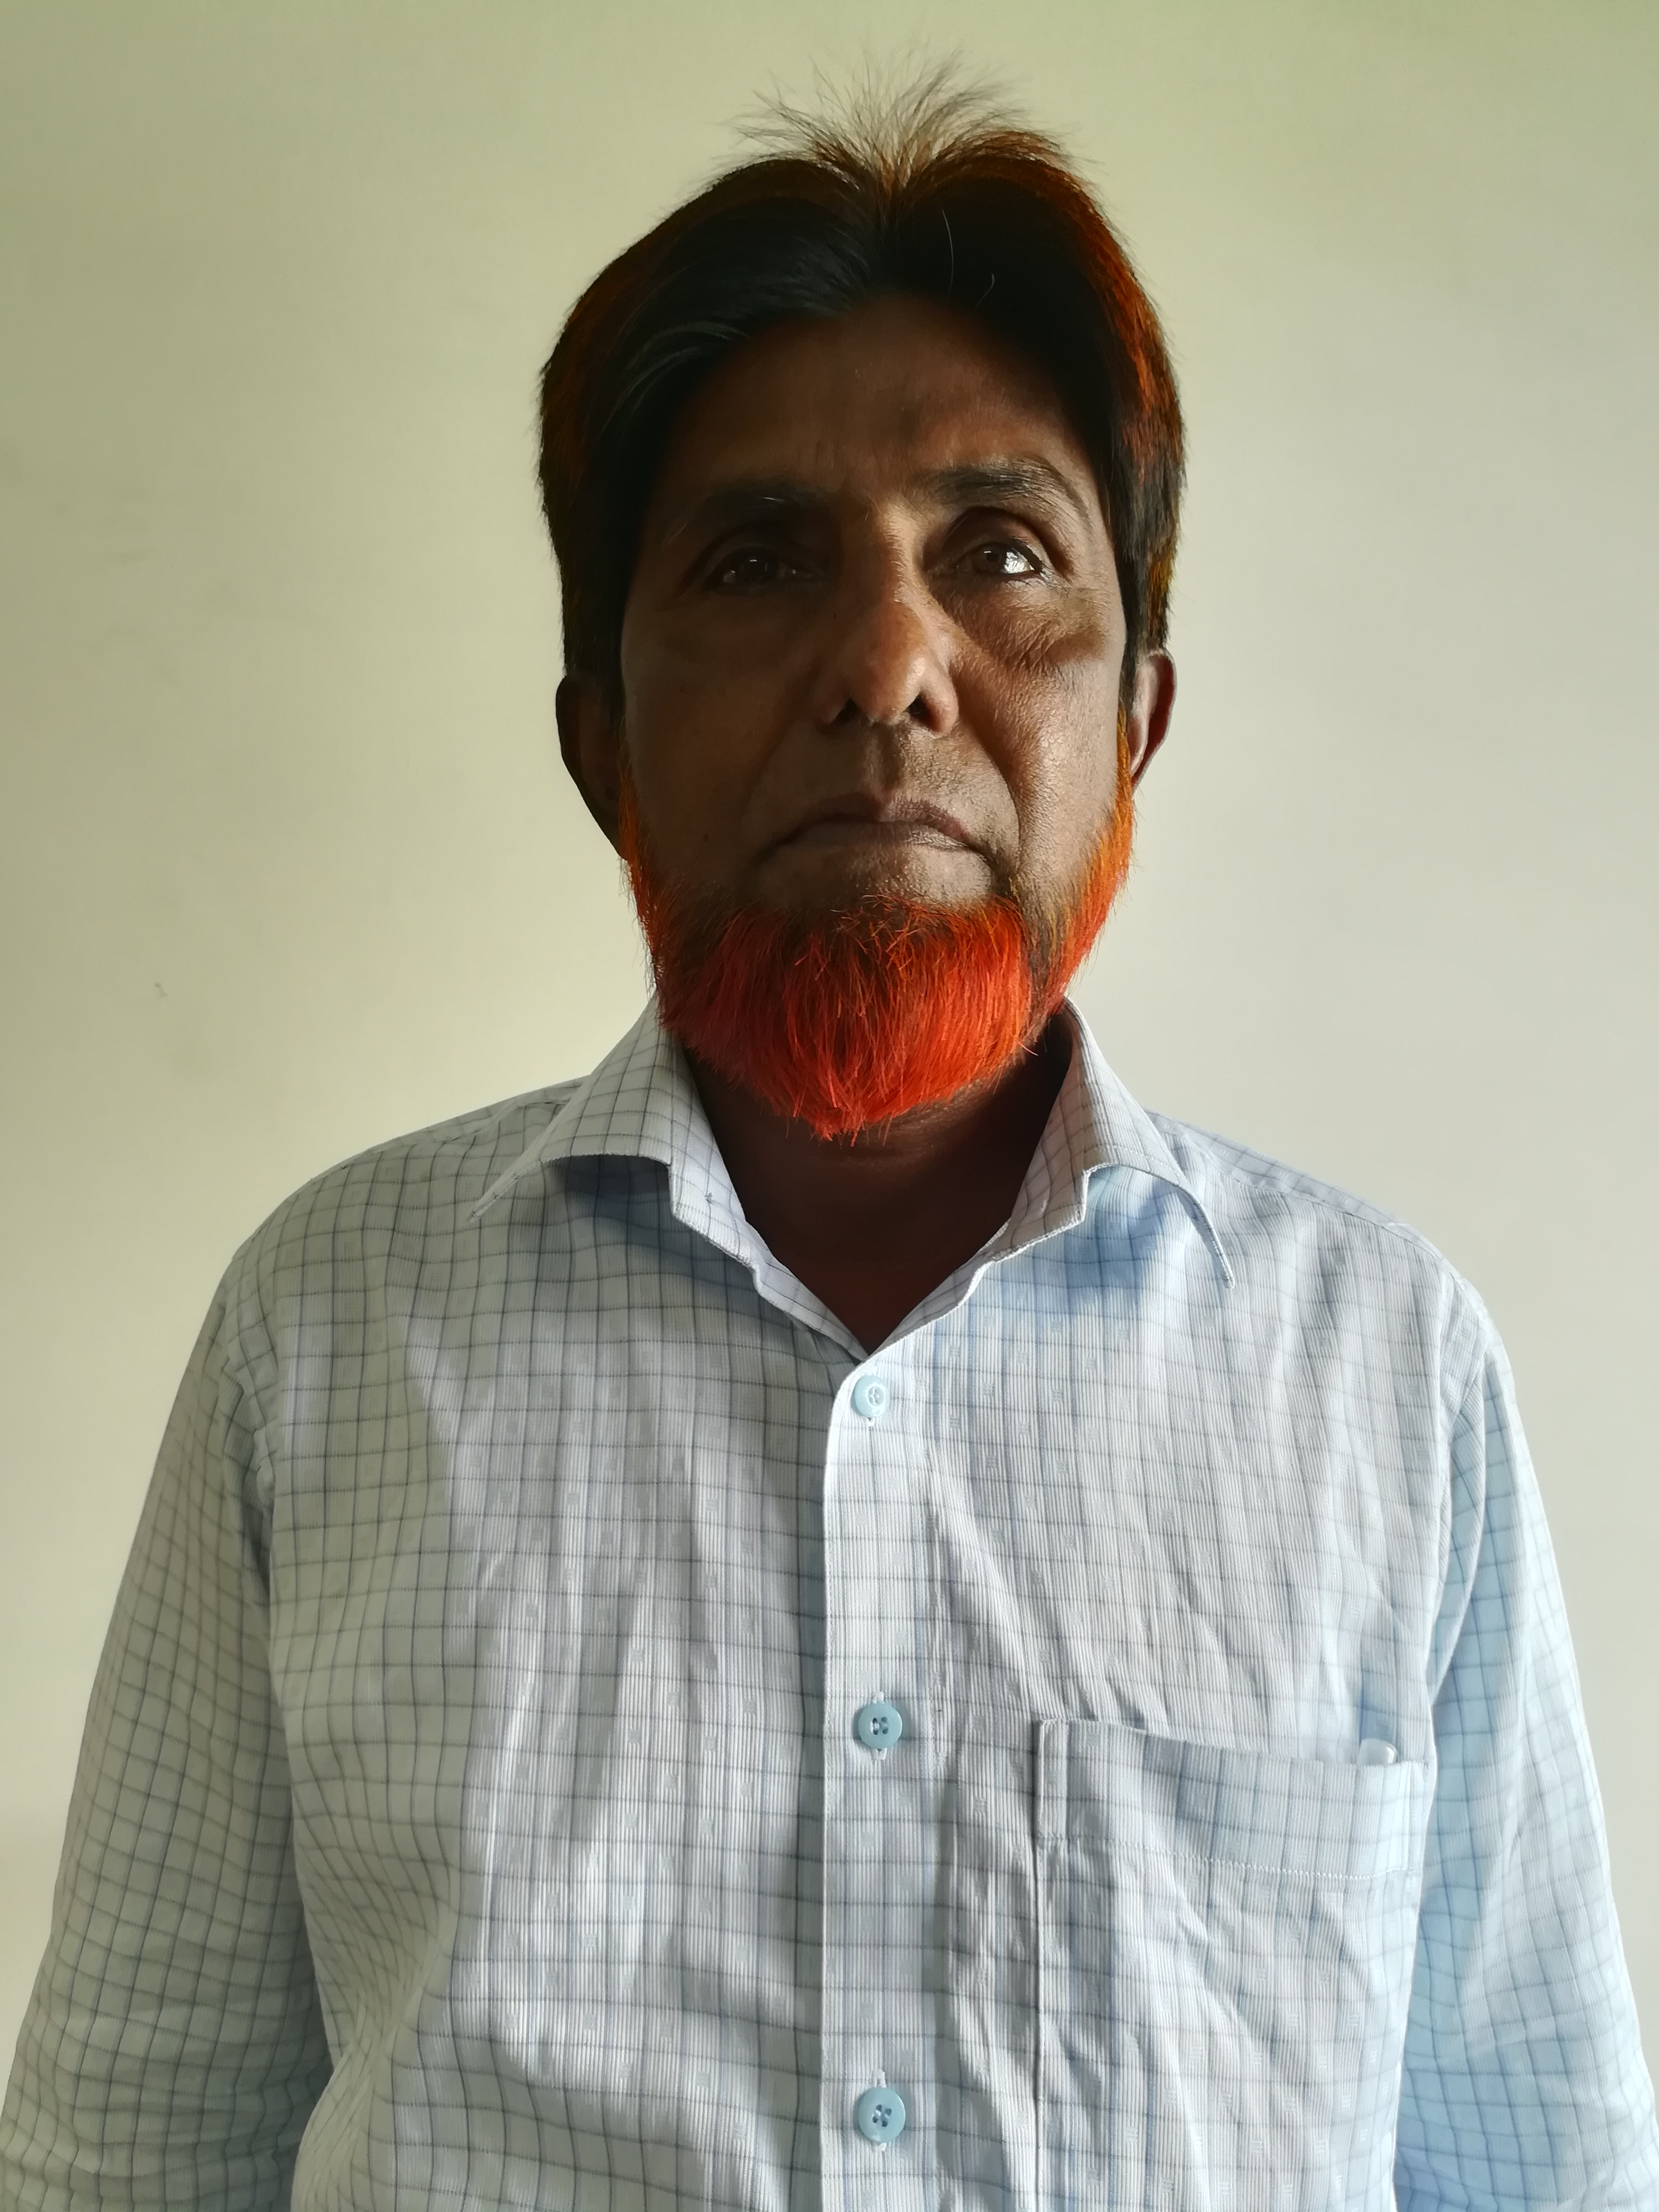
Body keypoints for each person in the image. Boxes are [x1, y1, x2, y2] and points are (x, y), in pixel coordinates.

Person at [2, 76, 1655, 2212]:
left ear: (1138, 719)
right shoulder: (322, 1334)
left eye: (1003, 556)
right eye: (758, 559)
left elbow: (1539, 2174)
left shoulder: (1385, 1373)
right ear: (602, 738)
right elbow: (128, 2160)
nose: (888, 668)